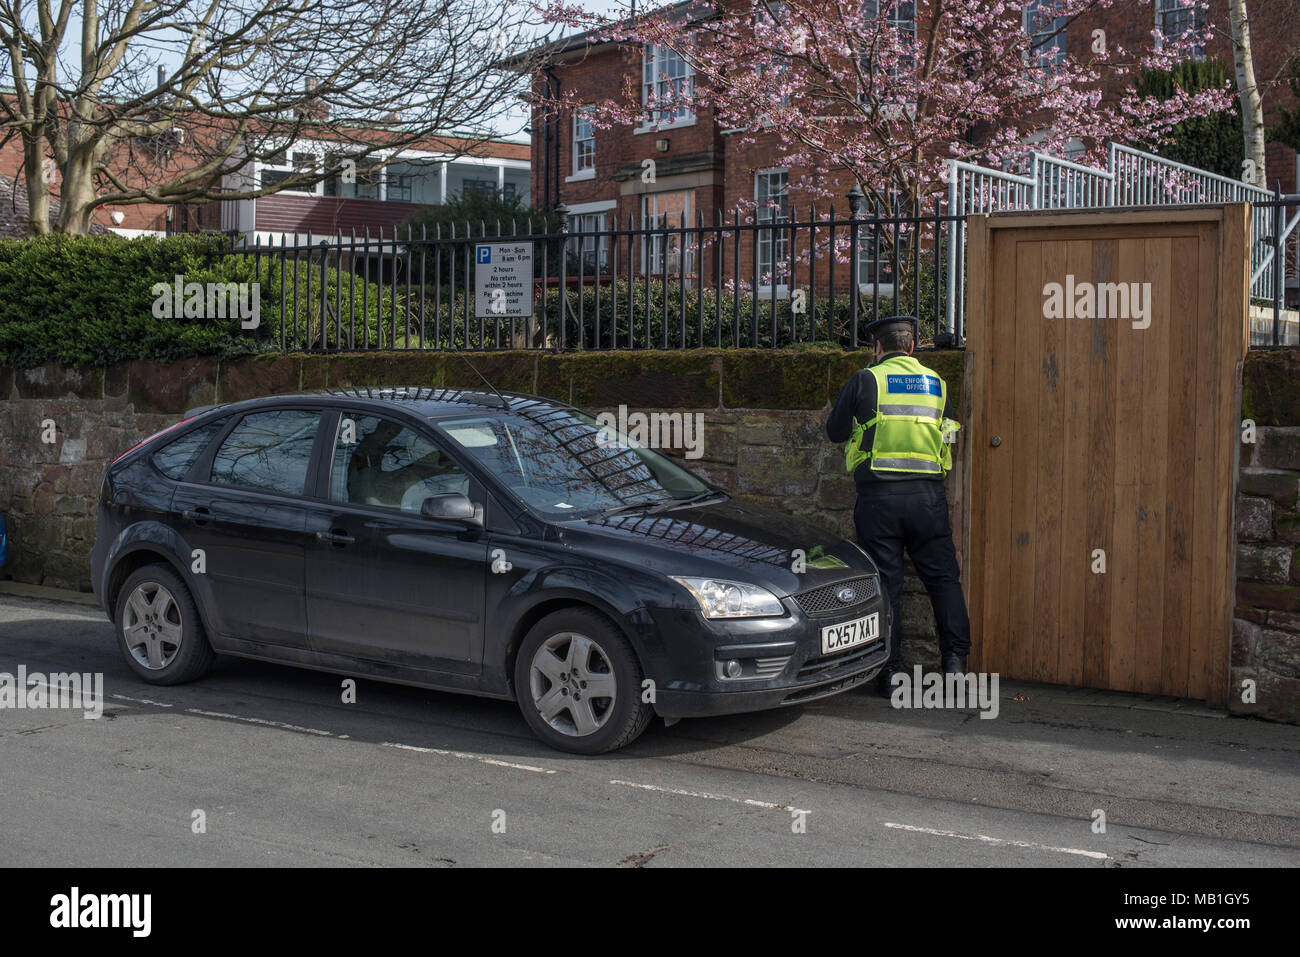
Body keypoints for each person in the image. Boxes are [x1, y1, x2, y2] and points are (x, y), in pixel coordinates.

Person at [825, 315, 971, 695]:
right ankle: (955, 663)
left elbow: (834, 431)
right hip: (928, 498)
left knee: (886, 586)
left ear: (878, 348)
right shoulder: (937, 384)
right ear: (912, 346)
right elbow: (948, 434)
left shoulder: (866, 379)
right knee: (943, 580)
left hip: (879, 500)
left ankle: (890, 674)